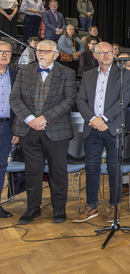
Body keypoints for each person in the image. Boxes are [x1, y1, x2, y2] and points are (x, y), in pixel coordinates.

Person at [10, 39, 77, 225]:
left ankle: (59, 208)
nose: (42, 54)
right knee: (32, 171)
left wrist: (44, 118)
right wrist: (30, 119)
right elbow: (14, 98)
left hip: (56, 130)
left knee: (58, 171)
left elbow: (69, 100)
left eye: (46, 51)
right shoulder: (24, 71)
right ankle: (33, 208)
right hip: (28, 129)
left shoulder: (67, 73)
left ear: (56, 55)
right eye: (39, 50)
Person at [73, 42, 130, 223]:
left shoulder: (123, 74)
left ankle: (114, 206)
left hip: (112, 128)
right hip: (92, 128)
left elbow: (123, 101)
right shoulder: (88, 75)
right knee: (91, 168)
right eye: (102, 53)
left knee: (114, 168)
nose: (106, 55)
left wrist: (103, 119)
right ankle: (91, 206)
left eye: (109, 52)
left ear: (113, 54)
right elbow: (80, 101)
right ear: (95, 55)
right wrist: (93, 119)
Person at [0, 42, 17, 219]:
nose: (4, 55)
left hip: (6, 127)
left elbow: (20, 104)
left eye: (7, 52)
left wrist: (17, 130)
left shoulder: (15, 74)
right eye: (1, 52)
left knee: (1, 166)